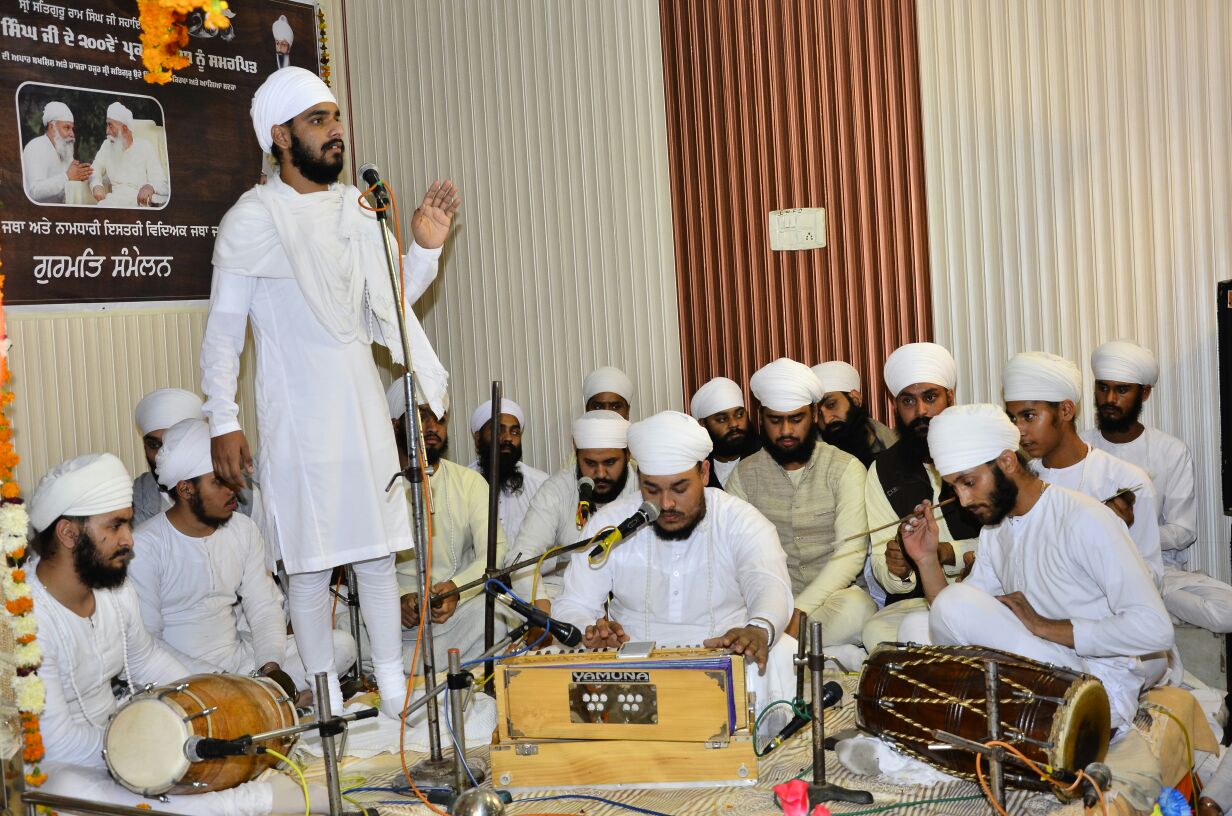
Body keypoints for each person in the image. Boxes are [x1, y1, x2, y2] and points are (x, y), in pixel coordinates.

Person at [203, 66, 460, 717]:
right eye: (318, 120)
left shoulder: (355, 209)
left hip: (360, 407)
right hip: (298, 417)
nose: (335, 129)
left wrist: (424, 250)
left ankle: (395, 692)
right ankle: (325, 702)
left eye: (335, 116)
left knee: (376, 555)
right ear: (280, 135)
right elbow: (224, 332)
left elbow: (387, 306)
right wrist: (222, 419)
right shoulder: (253, 219)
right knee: (311, 564)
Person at [29, 453, 326, 815]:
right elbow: (55, 742)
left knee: (206, 749)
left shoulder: (114, 590)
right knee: (67, 790)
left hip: (126, 734)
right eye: (116, 526)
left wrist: (218, 705)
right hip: (61, 762)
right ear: (68, 533)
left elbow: (146, 659)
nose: (129, 540)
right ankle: (254, 801)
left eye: (128, 524)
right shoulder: (24, 620)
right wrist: (157, 742)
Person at [898, 404, 1173, 731]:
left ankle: (973, 713)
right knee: (913, 627)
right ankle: (980, 712)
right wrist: (926, 559)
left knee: (950, 607)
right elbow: (954, 623)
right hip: (1037, 667)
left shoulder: (1084, 518)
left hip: (1095, 685)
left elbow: (1156, 629)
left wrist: (1045, 626)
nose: (964, 500)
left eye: (968, 482)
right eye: (955, 488)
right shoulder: (995, 532)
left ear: (1006, 461)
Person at [552, 411, 795, 705]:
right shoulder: (612, 525)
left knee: (781, 649)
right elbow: (572, 603)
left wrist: (757, 629)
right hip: (633, 668)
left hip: (726, 657)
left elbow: (768, 583)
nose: (665, 503)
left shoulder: (739, 520)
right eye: (652, 489)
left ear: (704, 473)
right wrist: (590, 632)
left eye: (680, 488)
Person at [129, 419, 355, 700]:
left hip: (242, 663)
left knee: (340, 645)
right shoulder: (144, 545)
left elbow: (263, 606)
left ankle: (267, 698)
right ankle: (277, 701)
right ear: (186, 489)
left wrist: (270, 666)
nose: (233, 489)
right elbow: (148, 642)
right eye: (219, 482)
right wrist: (224, 682)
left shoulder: (243, 529)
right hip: (183, 675)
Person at [1083, 340, 1232, 633]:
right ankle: (1144, 606)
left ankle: (1147, 601)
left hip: (1158, 569)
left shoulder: (1170, 451)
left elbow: (1183, 531)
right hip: (1091, 570)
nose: (1109, 398)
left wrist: (1129, 531)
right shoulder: (1079, 448)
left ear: (1145, 393)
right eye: (1103, 388)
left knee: (1226, 612)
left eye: (1122, 390)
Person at [726, 358, 874, 649]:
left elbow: (850, 554)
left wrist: (800, 609)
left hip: (830, 602)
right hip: (768, 602)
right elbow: (735, 554)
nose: (786, 431)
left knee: (857, 610)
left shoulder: (845, 468)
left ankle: (778, 647)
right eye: (775, 420)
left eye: (796, 419)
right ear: (761, 417)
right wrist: (773, 612)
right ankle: (802, 651)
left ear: (814, 414)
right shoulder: (743, 475)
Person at [1003, 351, 1163, 585]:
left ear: (1066, 410)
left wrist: (1113, 539)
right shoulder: (1017, 483)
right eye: (1012, 419)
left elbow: (1152, 582)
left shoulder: (1126, 481)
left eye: (1028, 416)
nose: (1019, 430)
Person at [861, 342, 980, 648]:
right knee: (878, 633)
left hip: (985, 591)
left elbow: (1011, 540)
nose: (921, 411)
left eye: (930, 397)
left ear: (950, 397)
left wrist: (947, 552)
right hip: (918, 602)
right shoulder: (883, 469)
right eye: (908, 401)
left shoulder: (982, 455)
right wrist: (897, 570)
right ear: (896, 406)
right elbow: (881, 558)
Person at [389, 381, 509, 666]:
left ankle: (419, 671)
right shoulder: (377, 488)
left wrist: (458, 588)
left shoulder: (469, 483)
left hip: (455, 615)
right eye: (422, 416)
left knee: (496, 618)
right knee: (348, 627)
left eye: (440, 418)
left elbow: (494, 551)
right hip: (395, 622)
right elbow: (363, 566)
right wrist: (398, 600)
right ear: (395, 424)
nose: (433, 427)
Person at [509, 410, 638, 610]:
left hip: (630, 593)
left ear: (628, 455)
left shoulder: (645, 489)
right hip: (567, 591)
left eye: (610, 462)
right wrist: (540, 605)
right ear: (576, 452)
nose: (600, 474)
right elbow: (523, 553)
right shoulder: (557, 489)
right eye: (590, 463)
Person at [468, 398, 549, 543]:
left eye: (515, 432)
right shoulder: (461, 485)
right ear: (478, 438)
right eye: (498, 430)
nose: (508, 438)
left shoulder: (541, 485)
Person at [132, 387, 206, 526]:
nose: (162, 455)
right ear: (145, 448)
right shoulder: (128, 504)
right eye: (154, 445)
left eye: (174, 444)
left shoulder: (239, 496)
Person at [812, 361, 897, 467]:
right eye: (818, 413)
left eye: (831, 405)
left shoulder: (897, 447)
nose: (826, 420)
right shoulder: (813, 461)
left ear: (855, 399)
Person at [89, 101, 169, 208]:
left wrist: (150, 187)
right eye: (107, 125)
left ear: (125, 128)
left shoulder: (145, 146)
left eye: (110, 126)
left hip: (140, 203)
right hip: (113, 202)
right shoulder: (106, 145)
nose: (107, 131)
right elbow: (93, 170)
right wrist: (96, 185)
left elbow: (161, 181)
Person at [689, 376, 761, 488]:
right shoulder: (694, 469)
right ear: (703, 424)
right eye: (722, 419)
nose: (734, 424)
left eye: (739, 415)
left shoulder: (767, 459)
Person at [22, 100, 91, 204]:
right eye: (67, 128)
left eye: (72, 129)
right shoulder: (36, 146)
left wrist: (85, 175)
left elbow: (73, 177)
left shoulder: (64, 150)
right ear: (52, 127)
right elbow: (33, 191)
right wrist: (66, 177)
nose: (72, 134)